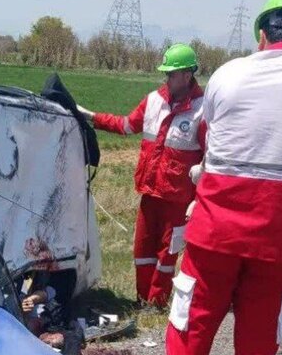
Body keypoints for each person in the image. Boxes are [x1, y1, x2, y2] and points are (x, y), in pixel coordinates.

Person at [136, 0, 282, 355]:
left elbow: (216, 140)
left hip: (215, 232)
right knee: (258, 340)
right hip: (281, 240)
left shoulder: (229, 74)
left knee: (191, 328)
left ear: (261, 34)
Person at [78, 44, 207, 309]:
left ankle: (157, 303)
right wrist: (90, 117)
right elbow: (126, 125)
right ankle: (140, 299)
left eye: (171, 74)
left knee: (167, 253)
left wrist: (201, 196)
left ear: (187, 74)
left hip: (178, 199)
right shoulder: (153, 100)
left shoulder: (202, 109)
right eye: (166, 73)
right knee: (142, 250)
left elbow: (209, 155)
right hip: (150, 192)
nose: (167, 78)